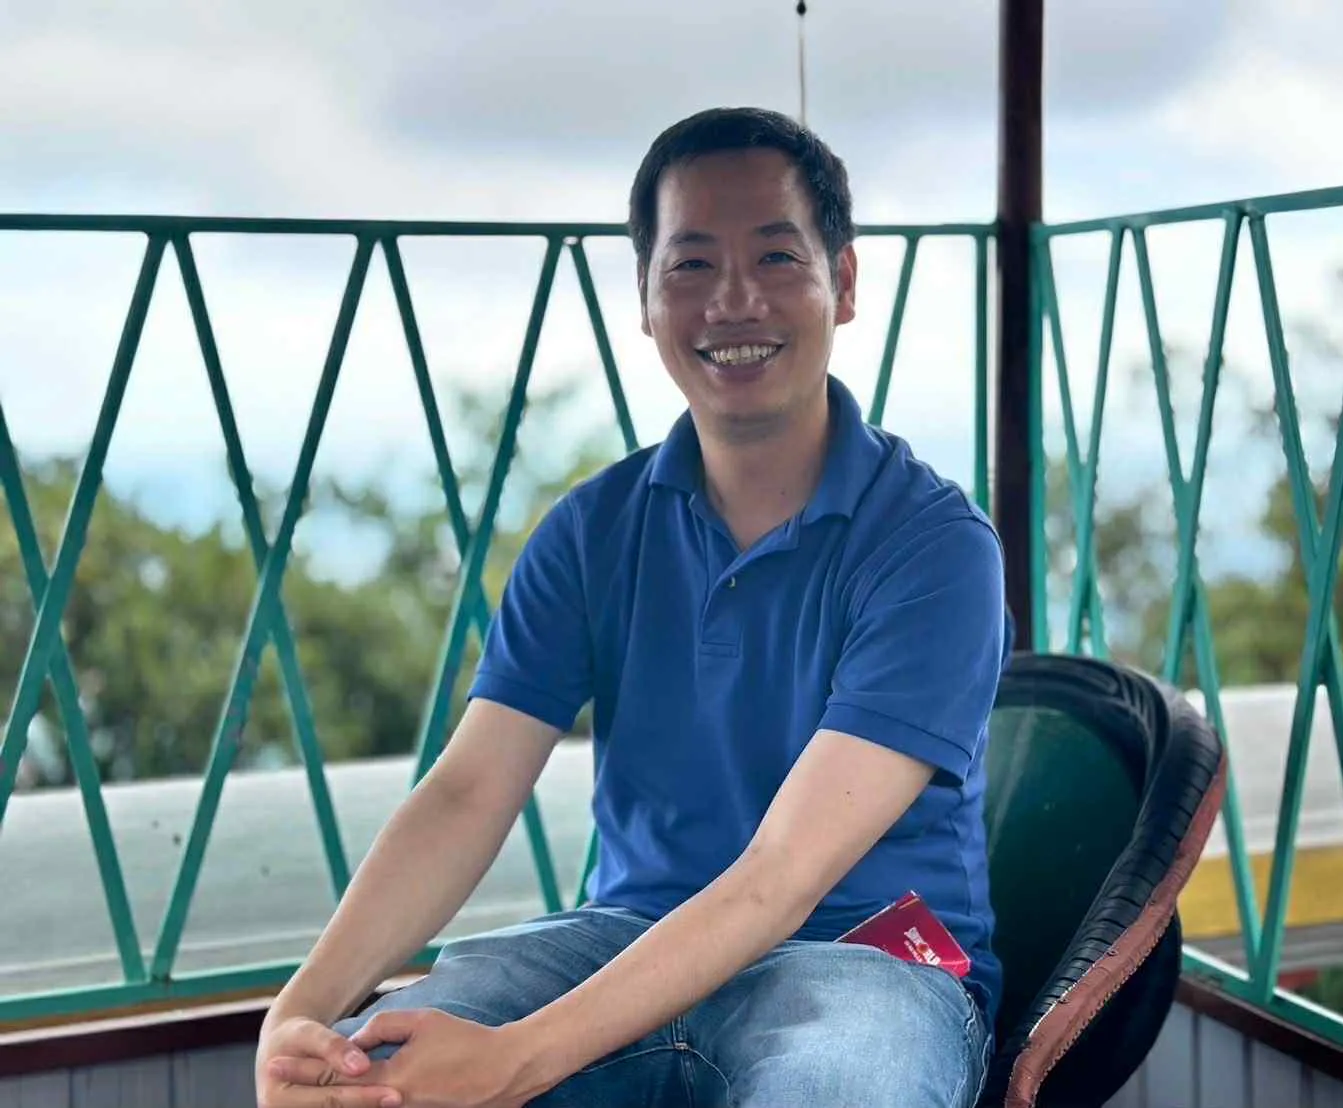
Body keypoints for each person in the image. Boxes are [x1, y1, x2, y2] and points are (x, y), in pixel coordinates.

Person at [254, 106, 1010, 1108]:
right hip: (625, 945)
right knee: (366, 1079)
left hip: (861, 960)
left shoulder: (933, 547)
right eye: (691, 265)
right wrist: (299, 1015)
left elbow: (780, 876)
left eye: (776, 257)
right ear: (646, 301)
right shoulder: (590, 532)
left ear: (844, 282)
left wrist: (514, 1060)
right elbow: (469, 792)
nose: (733, 301)